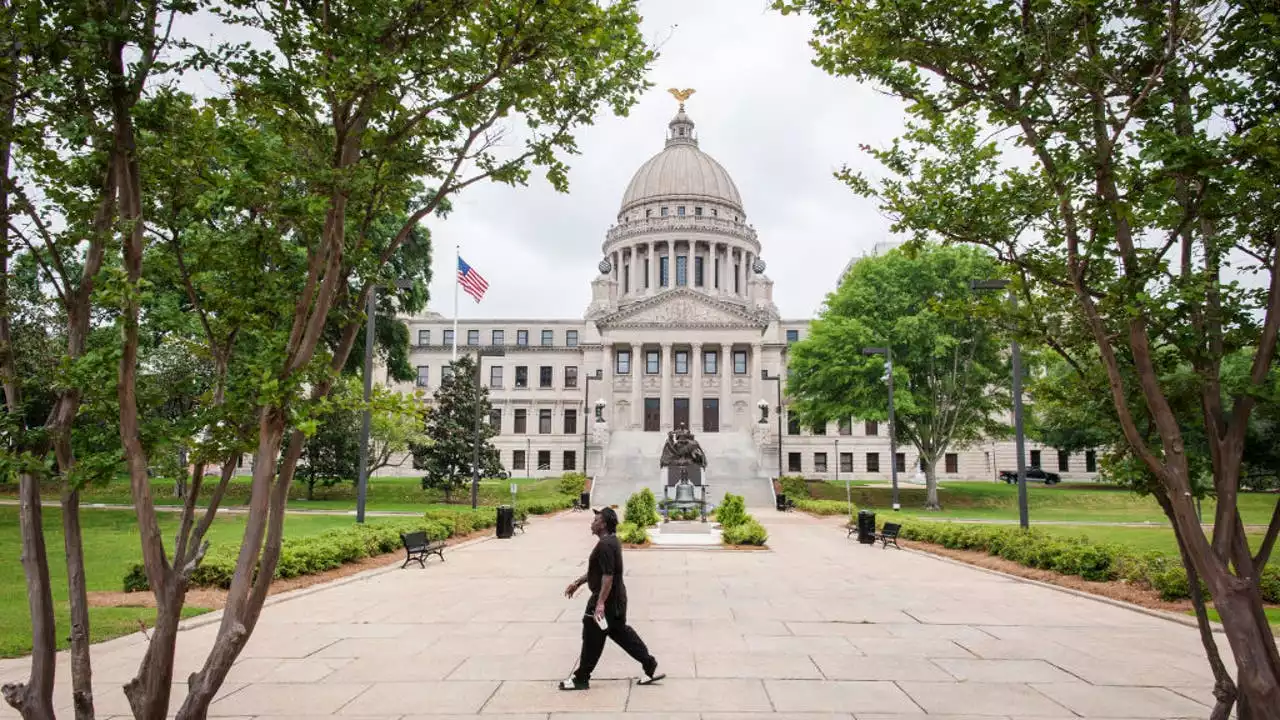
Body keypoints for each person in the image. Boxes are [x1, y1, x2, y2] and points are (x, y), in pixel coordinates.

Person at [559, 506, 664, 690]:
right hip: (615, 600)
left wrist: (600, 604)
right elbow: (599, 572)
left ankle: (581, 678)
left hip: (605, 601)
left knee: (592, 637)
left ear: (604, 524)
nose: (592, 523)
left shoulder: (605, 545)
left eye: (596, 520)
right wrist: (578, 582)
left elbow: (608, 576)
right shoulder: (611, 541)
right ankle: (649, 663)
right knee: (620, 633)